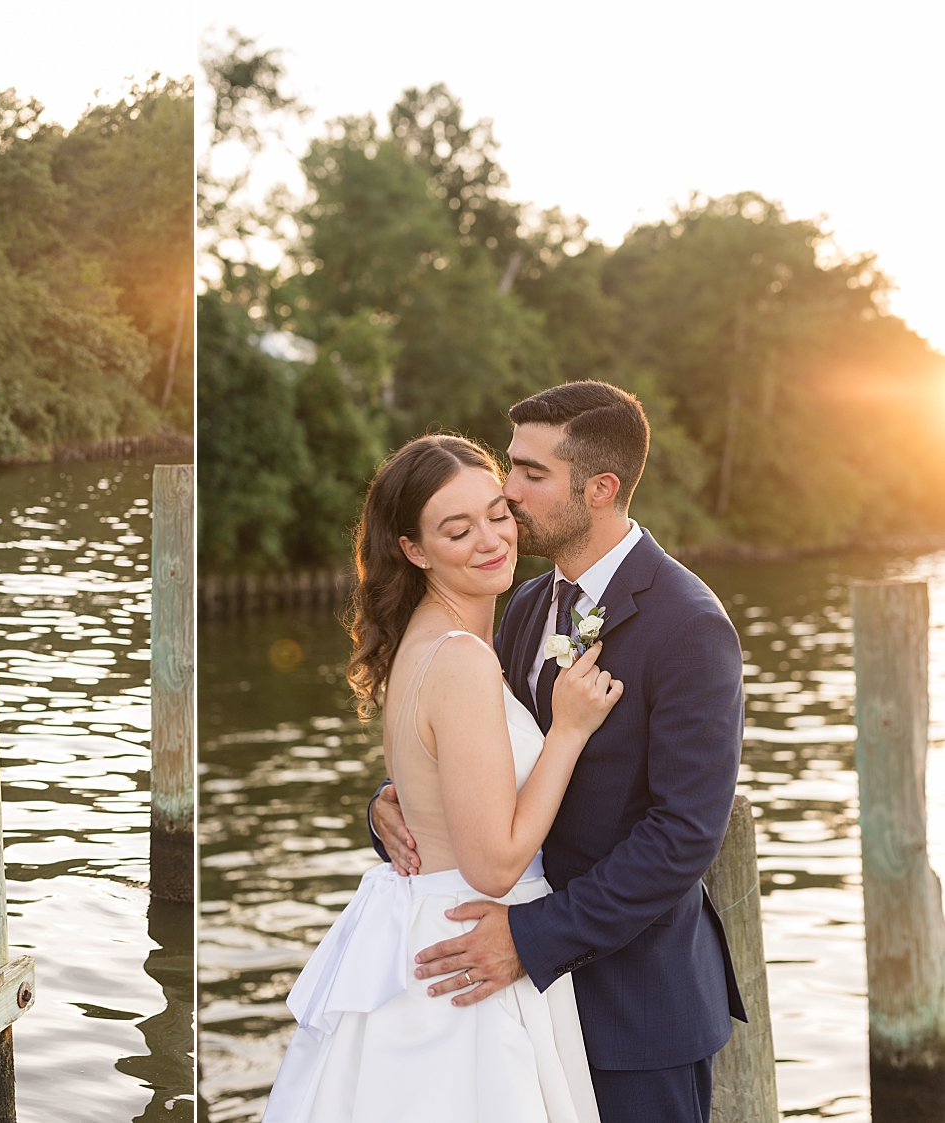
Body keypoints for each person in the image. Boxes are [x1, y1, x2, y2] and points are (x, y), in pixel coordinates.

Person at [369, 382, 747, 1123]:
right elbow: (486, 747)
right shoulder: (527, 604)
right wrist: (397, 803)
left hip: (633, 1007)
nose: (507, 492)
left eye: (531, 474)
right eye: (512, 465)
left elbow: (683, 836)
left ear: (599, 488)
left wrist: (530, 938)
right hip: (522, 1006)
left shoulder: (689, 625)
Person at [264, 434, 622, 1123]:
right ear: (414, 549)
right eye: (458, 530)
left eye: (497, 513)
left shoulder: (423, 639)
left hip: (423, 918)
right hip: (470, 942)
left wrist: (382, 807)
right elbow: (492, 865)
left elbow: (434, 785)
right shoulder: (460, 656)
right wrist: (569, 731)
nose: (491, 540)